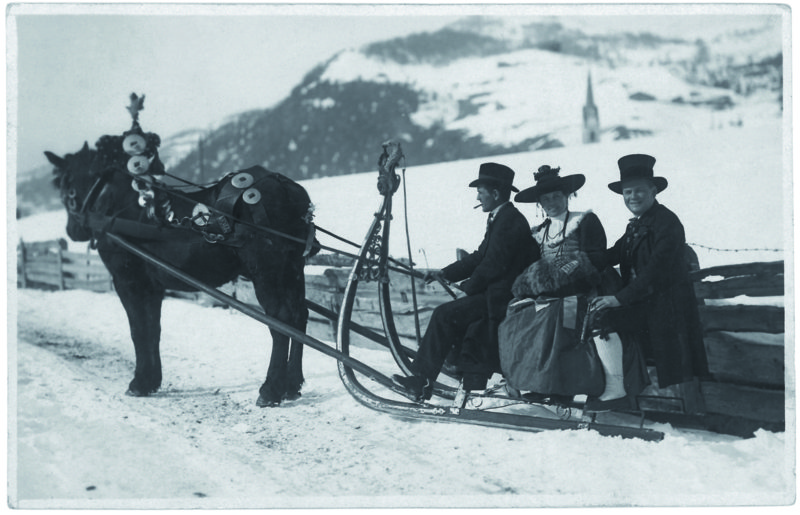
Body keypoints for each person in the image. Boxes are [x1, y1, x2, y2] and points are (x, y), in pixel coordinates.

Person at [497, 165, 648, 405]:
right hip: (552, 293)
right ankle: (540, 382)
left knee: (559, 318)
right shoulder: (539, 233)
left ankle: (609, 384)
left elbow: (596, 257)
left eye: (557, 196)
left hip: (587, 289)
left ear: (567, 196)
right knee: (518, 317)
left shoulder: (585, 221)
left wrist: (561, 277)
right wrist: (533, 285)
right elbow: (529, 266)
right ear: (539, 203)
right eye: (546, 199)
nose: (552, 202)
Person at [392, 162, 538, 401]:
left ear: (495, 193)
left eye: (481, 191)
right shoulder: (500, 217)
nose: (478, 197)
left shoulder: (510, 220)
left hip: (504, 298)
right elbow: (480, 256)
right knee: (454, 316)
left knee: (443, 314)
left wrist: (467, 289)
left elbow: (494, 264)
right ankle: (442, 379)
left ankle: (421, 380)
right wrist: (445, 274)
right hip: (495, 294)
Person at [586, 153, 710, 412]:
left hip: (666, 307)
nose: (633, 197)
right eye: (627, 192)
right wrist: (579, 259)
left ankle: (616, 391)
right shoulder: (637, 225)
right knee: (590, 313)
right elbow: (613, 254)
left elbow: (655, 272)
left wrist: (618, 298)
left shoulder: (667, 223)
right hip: (645, 301)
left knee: (602, 319)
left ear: (653, 190)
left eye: (639, 191)